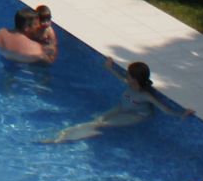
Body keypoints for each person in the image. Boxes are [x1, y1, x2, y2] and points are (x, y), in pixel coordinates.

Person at [44, 57, 195, 143]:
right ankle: (69, 133)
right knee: (97, 119)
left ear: (134, 79)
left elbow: (165, 109)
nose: (126, 75)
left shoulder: (145, 95)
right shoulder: (129, 83)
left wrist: (182, 113)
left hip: (136, 115)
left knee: (101, 124)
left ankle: (63, 139)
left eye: (128, 74)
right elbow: (117, 76)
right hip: (122, 107)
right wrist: (109, 67)